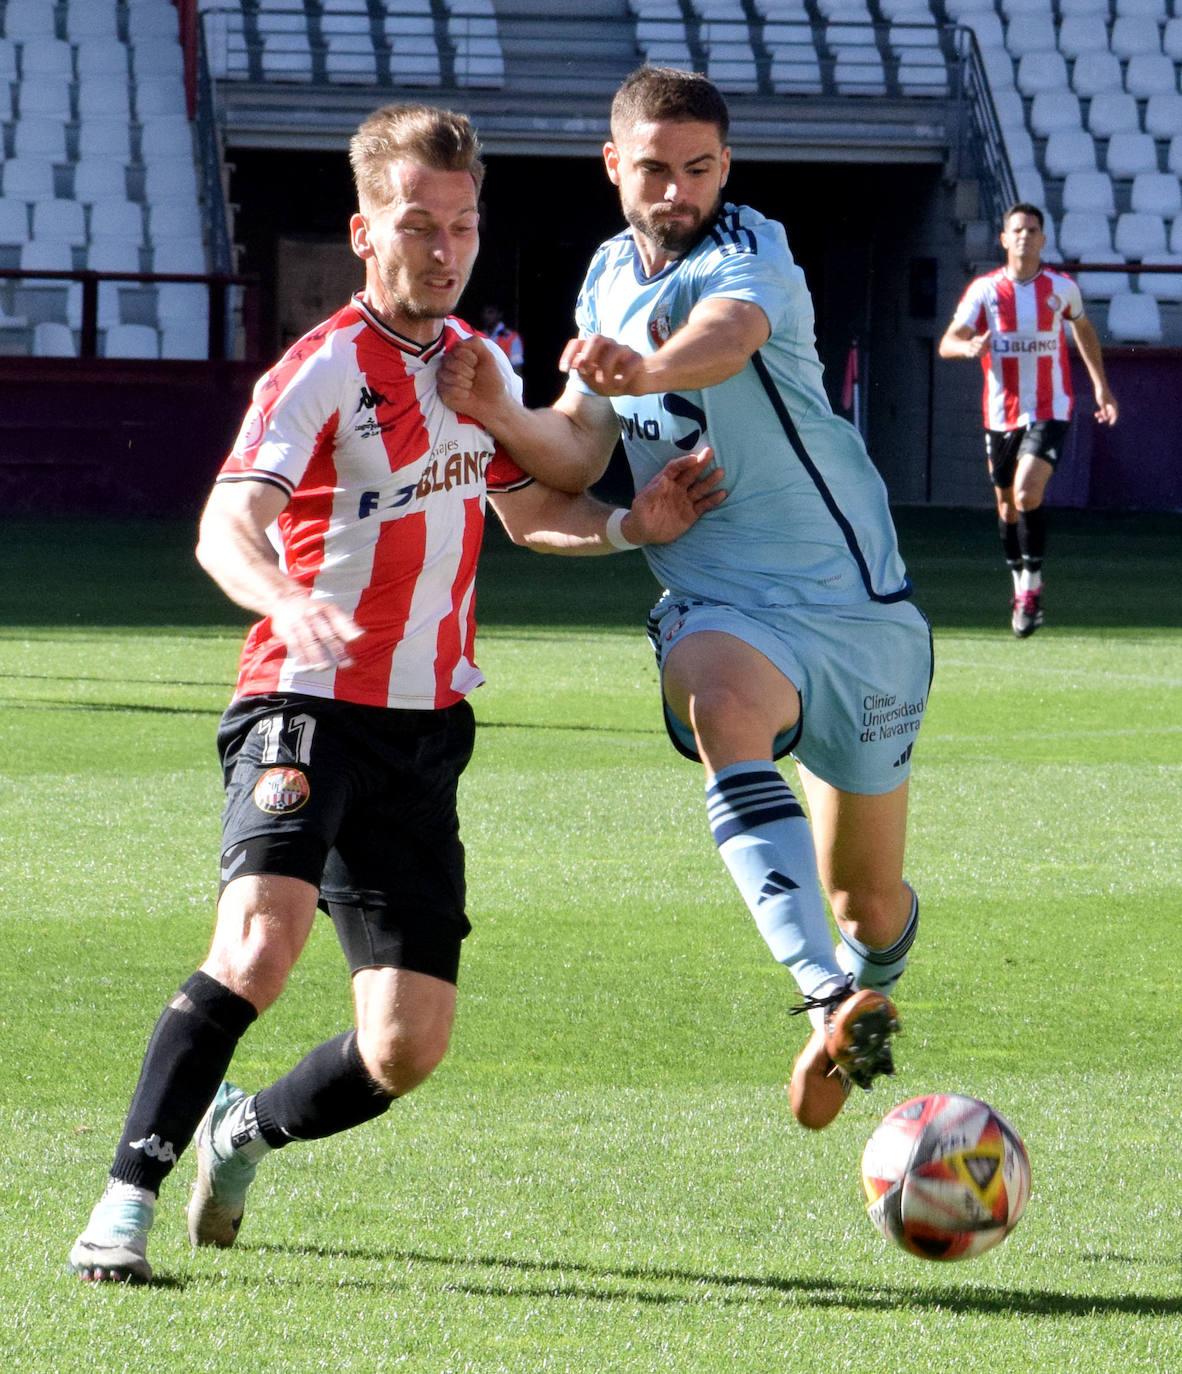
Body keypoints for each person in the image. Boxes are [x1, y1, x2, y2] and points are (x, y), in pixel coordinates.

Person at [68, 102, 723, 1284]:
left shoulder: (477, 365)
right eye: (419, 224)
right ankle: (122, 1204)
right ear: (365, 230)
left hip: (427, 733)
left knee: (407, 1047)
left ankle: (242, 1130)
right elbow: (229, 524)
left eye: (463, 225)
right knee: (258, 950)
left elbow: (526, 512)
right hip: (304, 703)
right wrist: (284, 597)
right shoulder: (320, 368)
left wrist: (634, 522)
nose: (446, 247)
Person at [438, 67, 932, 1131]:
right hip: (723, 601)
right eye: (655, 169)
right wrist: (502, 409)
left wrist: (649, 368)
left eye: (699, 168)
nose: (678, 190)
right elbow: (573, 448)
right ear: (614, 165)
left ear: (725, 167)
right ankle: (828, 998)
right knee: (720, 702)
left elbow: (730, 337)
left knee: (870, 901)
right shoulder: (607, 275)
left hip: (858, 613)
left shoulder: (757, 253)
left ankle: (860, 976)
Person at [938, 202, 1118, 638]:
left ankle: (1032, 586)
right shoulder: (984, 291)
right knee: (1006, 507)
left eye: (1031, 230)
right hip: (1000, 415)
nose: (1023, 236)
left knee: (1026, 492)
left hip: (1050, 407)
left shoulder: (1061, 288)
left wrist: (1100, 386)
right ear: (1004, 239)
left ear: (1042, 239)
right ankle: (1020, 585)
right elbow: (948, 342)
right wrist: (969, 349)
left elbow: (1083, 329)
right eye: (1016, 230)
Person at [480, 302, 524, 373]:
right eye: (484, 312)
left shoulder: (511, 337)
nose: (486, 316)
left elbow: (517, 368)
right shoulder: (479, 336)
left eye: (490, 312)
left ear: (499, 314)